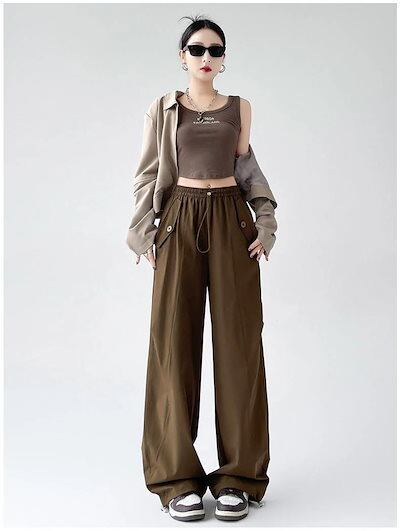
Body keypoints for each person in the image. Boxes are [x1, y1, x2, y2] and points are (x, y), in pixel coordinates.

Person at [126, 15, 278, 522]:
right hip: (178, 220)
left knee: (239, 345)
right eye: (197, 49)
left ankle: (240, 477)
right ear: (182, 56)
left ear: (224, 57)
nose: (206, 57)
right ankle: (176, 479)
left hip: (231, 219)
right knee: (172, 344)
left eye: (215, 49)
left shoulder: (239, 108)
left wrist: (266, 223)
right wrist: (142, 231)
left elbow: (247, 168)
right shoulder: (164, 108)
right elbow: (148, 172)